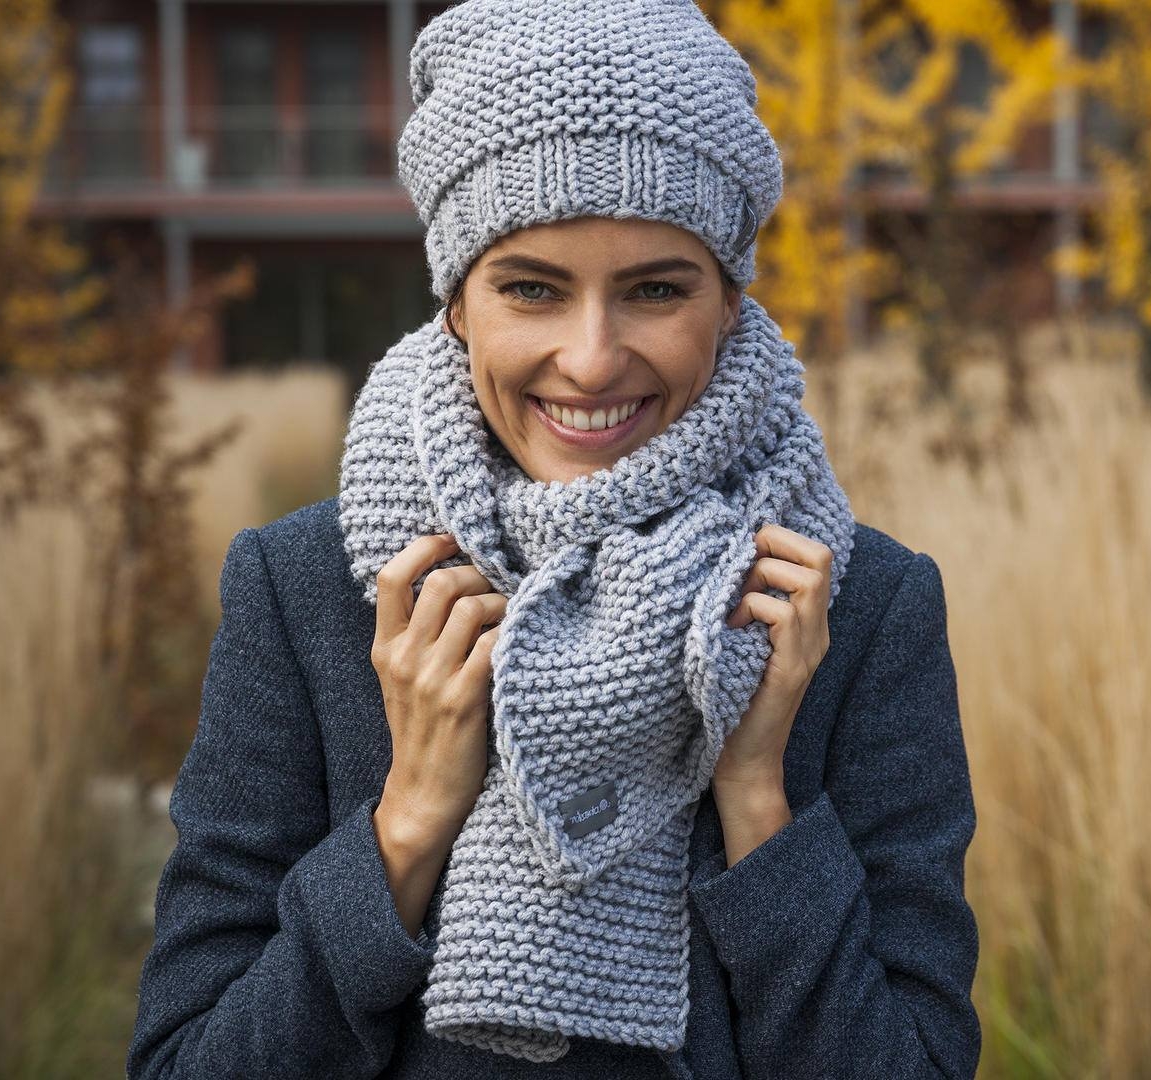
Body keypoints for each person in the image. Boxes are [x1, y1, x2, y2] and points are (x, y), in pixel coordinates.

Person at [126, 1, 980, 1077]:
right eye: (530, 288)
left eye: (654, 290)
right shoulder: (304, 591)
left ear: (729, 302)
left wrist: (757, 797)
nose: (588, 359)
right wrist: (406, 823)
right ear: (456, 306)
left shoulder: (852, 606)